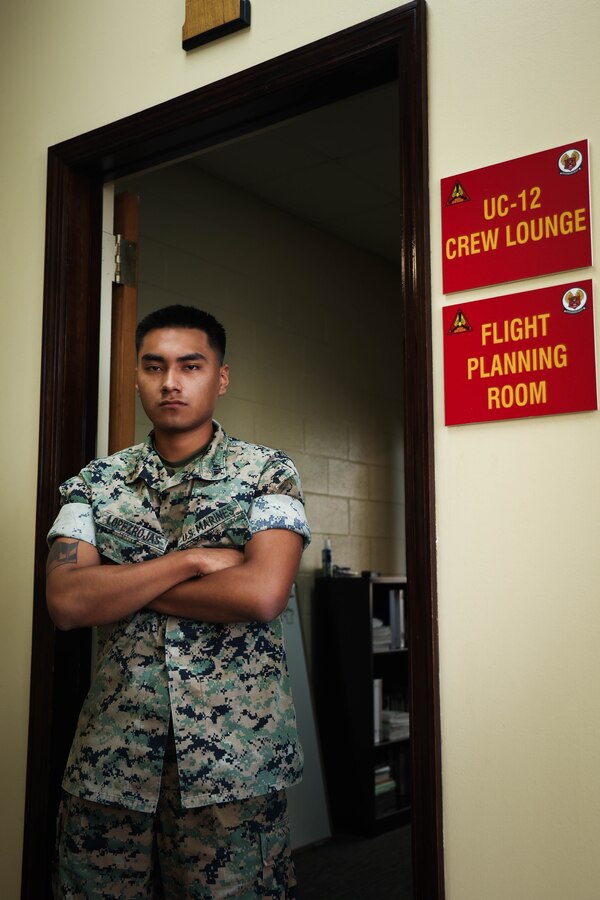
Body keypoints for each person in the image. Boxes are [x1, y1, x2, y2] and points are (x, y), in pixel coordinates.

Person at [46, 305, 310, 898]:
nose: (170, 382)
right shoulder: (95, 484)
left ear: (220, 377)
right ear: (136, 377)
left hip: (232, 765)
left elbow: (261, 593)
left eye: (190, 366)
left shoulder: (268, 474)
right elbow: (67, 602)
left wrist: (120, 587)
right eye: (154, 366)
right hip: (113, 759)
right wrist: (190, 562)